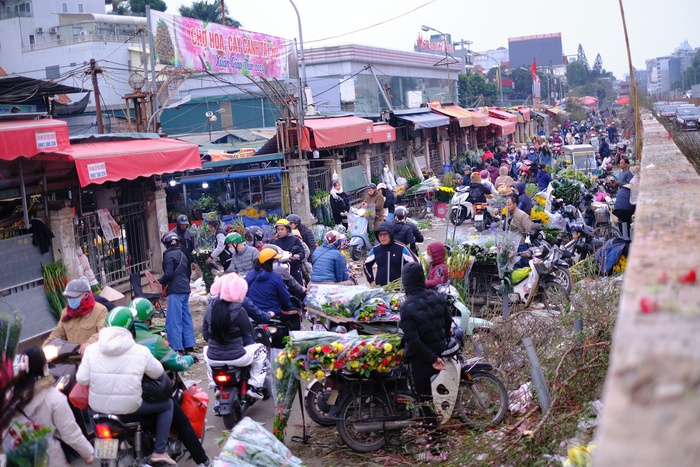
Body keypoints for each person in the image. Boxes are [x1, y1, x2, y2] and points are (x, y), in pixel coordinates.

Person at [76, 307, 176, 465]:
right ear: (130, 327)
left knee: (93, 410)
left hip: (99, 410)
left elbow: (81, 379)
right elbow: (157, 373)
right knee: (168, 405)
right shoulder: (140, 351)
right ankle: (159, 451)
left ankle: (106, 453)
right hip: (131, 408)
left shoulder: (91, 350)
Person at [130, 298, 210, 467]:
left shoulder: (106, 345)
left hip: (113, 400)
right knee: (180, 419)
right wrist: (189, 358)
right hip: (146, 395)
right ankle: (202, 460)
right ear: (149, 319)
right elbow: (175, 363)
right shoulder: (154, 341)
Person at [399, 262, 452, 447]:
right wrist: (440, 347)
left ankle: (435, 443)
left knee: (425, 401)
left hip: (423, 360)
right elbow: (448, 323)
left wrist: (432, 359)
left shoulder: (407, 307)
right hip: (440, 352)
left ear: (406, 283)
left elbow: (413, 341)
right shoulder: (437, 296)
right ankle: (436, 431)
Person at [14, 347, 94, 466]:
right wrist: (87, 454)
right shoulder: (54, 399)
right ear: (44, 367)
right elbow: (71, 434)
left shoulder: (10, 397)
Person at [203, 273, 269, 400]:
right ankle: (254, 386)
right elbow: (248, 330)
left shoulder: (210, 307)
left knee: (205, 350)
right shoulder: (239, 309)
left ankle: (215, 385)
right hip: (238, 357)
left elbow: (205, 334)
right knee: (261, 350)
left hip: (214, 357)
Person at [42, 278, 109, 354]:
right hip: (71, 359)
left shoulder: (100, 310)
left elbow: (104, 332)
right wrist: (43, 349)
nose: (71, 299)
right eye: (69, 297)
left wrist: (90, 343)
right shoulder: (65, 312)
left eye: (74, 297)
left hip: (92, 356)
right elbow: (57, 333)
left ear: (86, 295)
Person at [159, 232, 196, 355]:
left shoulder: (168, 255)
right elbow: (186, 272)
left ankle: (177, 348)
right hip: (185, 289)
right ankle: (190, 346)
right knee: (186, 318)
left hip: (176, 291)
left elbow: (169, 273)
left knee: (174, 320)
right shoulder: (182, 254)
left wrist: (160, 281)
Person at [245, 247, 298, 329]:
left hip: (253, 312)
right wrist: (288, 306)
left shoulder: (250, 274)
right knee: (296, 313)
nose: (276, 262)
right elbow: (284, 297)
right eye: (275, 260)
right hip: (273, 312)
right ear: (270, 262)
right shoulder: (275, 277)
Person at [363, 222, 415, 286]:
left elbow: (415, 264)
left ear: (390, 234)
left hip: (399, 287)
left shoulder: (401, 248)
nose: (382, 237)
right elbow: (366, 264)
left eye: (384, 234)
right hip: (381, 288)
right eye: (380, 235)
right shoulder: (375, 250)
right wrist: (371, 280)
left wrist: (409, 281)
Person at [271, 219, 306, 286]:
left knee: (299, 289)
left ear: (287, 229)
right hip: (280, 270)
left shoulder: (295, 240)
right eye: (278, 230)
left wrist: (298, 255)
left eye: (282, 229)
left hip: (293, 268)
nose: (280, 231)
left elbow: (302, 253)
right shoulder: (274, 242)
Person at [613, 157, 635, 235]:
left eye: (622, 163)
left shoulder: (628, 173)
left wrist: (618, 183)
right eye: (620, 163)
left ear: (626, 164)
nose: (620, 164)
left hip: (626, 196)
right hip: (622, 195)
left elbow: (630, 185)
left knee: (625, 224)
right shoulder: (621, 173)